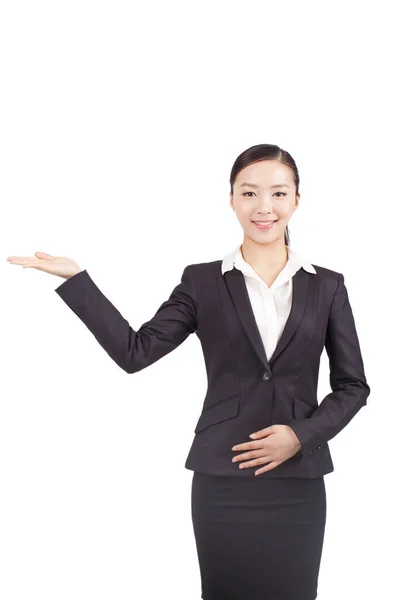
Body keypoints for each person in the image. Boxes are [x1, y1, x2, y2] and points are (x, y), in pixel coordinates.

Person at [6, 143, 371, 599]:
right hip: (222, 480)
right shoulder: (202, 281)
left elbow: (353, 386)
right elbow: (134, 353)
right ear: (232, 199)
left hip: (298, 483)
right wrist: (78, 280)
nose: (264, 207)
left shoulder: (328, 285)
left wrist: (301, 434)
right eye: (249, 193)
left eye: (278, 194)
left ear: (297, 200)